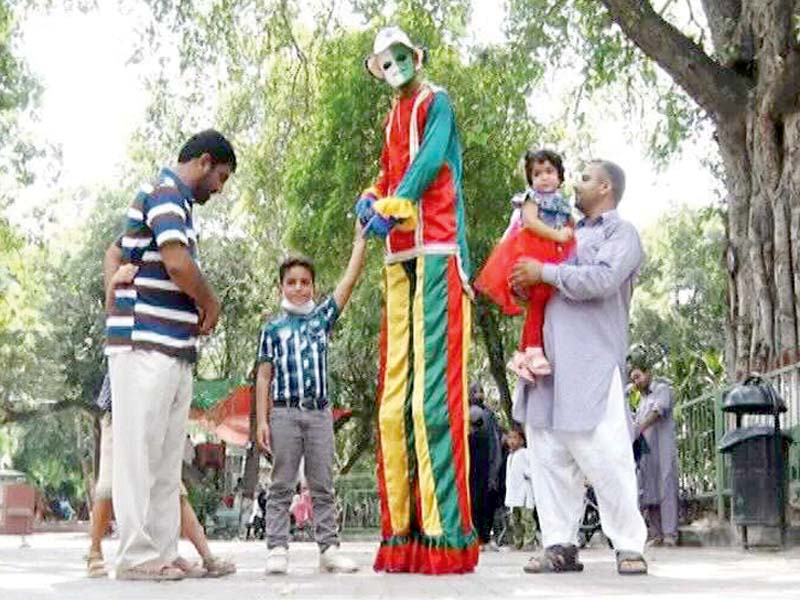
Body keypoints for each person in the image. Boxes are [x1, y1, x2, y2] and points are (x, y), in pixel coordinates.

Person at [358, 25, 477, 574]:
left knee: (432, 404)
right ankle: (401, 536)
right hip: (398, 258)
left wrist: (395, 202)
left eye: (400, 57)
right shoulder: (388, 117)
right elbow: (389, 172)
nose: (395, 67)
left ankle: (445, 536)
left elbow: (429, 163)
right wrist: (372, 199)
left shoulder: (438, 102)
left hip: (435, 249)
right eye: (385, 62)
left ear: (415, 57)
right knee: (391, 408)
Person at [104, 129, 236, 581]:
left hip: (173, 346)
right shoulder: (164, 192)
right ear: (203, 162)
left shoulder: (177, 205)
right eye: (220, 176)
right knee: (139, 452)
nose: (219, 188)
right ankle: (136, 554)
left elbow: (117, 250)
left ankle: (161, 549)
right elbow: (176, 264)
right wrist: (210, 301)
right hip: (145, 341)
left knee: (164, 457)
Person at [510, 159, 649, 575]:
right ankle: (559, 544)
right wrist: (523, 285)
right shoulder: (560, 230)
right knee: (549, 455)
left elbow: (603, 280)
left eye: (586, 178)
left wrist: (546, 272)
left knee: (606, 453)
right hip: (546, 362)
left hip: (591, 363)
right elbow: (539, 287)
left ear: (606, 187)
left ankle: (628, 544)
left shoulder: (620, 233)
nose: (577, 184)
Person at [255, 221, 366, 575]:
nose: (299, 288)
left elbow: (348, 282)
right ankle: (276, 548)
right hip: (285, 414)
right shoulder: (271, 329)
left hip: (319, 414)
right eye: (292, 282)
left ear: (313, 286)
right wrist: (262, 420)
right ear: (281, 288)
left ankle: (329, 549)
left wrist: (360, 240)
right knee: (281, 482)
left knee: (322, 483)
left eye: (305, 282)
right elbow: (263, 376)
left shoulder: (321, 321)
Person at [474, 149, 576, 380]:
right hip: (531, 250)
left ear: (560, 176)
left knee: (541, 303)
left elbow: (570, 226)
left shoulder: (563, 204)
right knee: (538, 297)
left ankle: (521, 355)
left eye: (549, 171)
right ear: (531, 180)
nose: (544, 177)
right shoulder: (531, 198)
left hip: (552, 256)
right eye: (537, 174)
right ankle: (533, 349)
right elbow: (530, 222)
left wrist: (569, 233)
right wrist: (558, 235)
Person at [629, 352, 679, 547]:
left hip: (663, 448)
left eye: (638, 376)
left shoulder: (662, 389)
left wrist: (639, 427)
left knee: (666, 486)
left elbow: (658, 411)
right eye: (633, 379)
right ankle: (656, 533)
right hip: (646, 453)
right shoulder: (640, 402)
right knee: (648, 490)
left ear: (648, 374)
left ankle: (670, 534)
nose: (636, 382)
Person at [468, 384, 504, 551]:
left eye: (480, 391)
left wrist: (495, 468)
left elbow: (495, 440)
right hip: (472, 462)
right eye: (475, 391)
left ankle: (485, 538)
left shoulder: (489, 414)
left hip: (487, 461)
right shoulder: (464, 410)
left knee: (487, 500)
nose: (479, 394)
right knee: (473, 501)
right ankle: (475, 537)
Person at [504, 429, 538, 550]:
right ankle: (517, 542)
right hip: (513, 494)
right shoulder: (510, 456)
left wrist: (527, 474)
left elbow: (533, 469)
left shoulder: (525, 453)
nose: (512, 441)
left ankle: (529, 542)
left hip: (524, 493)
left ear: (522, 440)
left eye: (515, 438)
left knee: (527, 519)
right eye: (510, 438)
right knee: (515, 520)